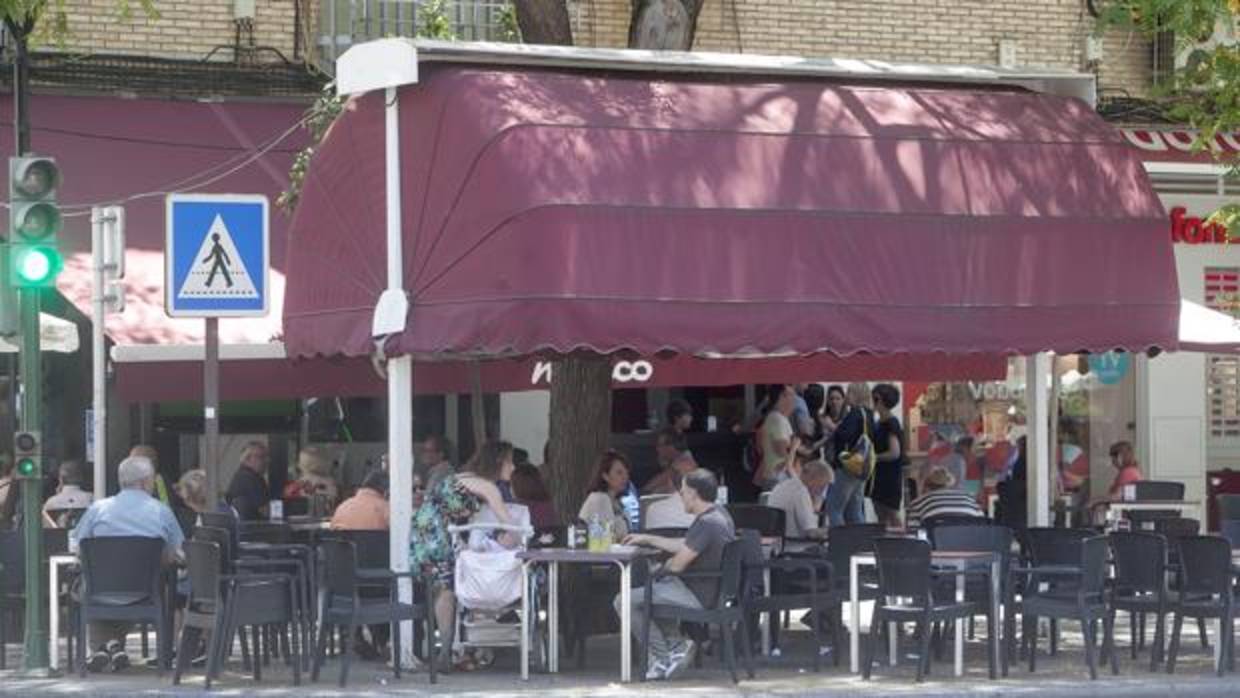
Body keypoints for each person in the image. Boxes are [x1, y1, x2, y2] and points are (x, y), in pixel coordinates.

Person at [617, 469, 736, 681]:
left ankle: (663, 656)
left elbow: (678, 565)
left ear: (693, 493)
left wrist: (662, 567)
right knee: (652, 591)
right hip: (709, 589)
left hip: (696, 594)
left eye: (682, 492)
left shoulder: (707, 523)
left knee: (624, 601)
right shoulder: (719, 515)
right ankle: (676, 647)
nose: (680, 496)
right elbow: (686, 545)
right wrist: (648, 539)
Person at [71, 455, 184, 673]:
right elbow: (176, 552)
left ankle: (104, 648)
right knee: (136, 587)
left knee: (90, 586)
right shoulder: (161, 511)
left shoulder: (98, 509)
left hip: (99, 591)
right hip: (147, 591)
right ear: (144, 482)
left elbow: (79, 546)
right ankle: (111, 647)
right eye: (152, 480)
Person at [409, 439, 515, 671]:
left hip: (423, 531)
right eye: (509, 462)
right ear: (498, 463)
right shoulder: (488, 487)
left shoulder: (462, 477)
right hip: (439, 535)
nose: (513, 467)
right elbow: (512, 526)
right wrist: (513, 541)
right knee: (447, 589)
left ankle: (448, 650)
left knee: (442, 589)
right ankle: (446, 652)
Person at [824, 382, 874, 526]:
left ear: (857, 395)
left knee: (834, 508)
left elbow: (846, 435)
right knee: (855, 510)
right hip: (862, 467)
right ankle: (860, 543)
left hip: (848, 466)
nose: (847, 397)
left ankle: (840, 543)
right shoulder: (869, 414)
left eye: (850, 393)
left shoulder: (855, 413)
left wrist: (832, 427)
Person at [868, 383, 908, 528]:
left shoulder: (890, 423)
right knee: (881, 512)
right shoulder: (880, 422)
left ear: (878, 399)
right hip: (880, 474)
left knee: (891, 512)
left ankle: (901, 543)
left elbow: (894, 452)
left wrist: (873, 457)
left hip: (889, 475)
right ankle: (884, 542)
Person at [768, 458, 832, 544]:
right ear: (813, 479)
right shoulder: (801, 492)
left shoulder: (780, 486)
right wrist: (831, 531)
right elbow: (811, 533)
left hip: (777, 544)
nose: (822, 491)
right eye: (822, 485)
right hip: (796, 546)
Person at [578, 450, 632, 538]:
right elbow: (605, 536)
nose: (625, 477)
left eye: (627, 473)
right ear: (605, 476)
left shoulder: (617, 502)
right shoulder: (599, 499)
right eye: (619, 473)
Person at [906, 467, 983, 527]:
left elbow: (913, 533)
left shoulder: (919, 503)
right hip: (970, 545)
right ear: (950, 484)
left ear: (926, 487)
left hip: (936, 546)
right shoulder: (969, 499)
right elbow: (983, 525)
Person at [758, 385, 796, 487]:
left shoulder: (777, 417)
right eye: (791, 395)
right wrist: (795, 446)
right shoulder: (777, 419)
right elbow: (781, 449)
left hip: (775, 474)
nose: (794, 399)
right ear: (782, 397)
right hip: (778, 476)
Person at [284, 446, 340, 514]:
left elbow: (286, 503)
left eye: (299, 461)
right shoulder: (331, 484)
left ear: (302, 465)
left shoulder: (295, 486)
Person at [643, 428, 699, 495]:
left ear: (671, 446)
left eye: (659, 445)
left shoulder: (685, 463)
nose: (657, 449)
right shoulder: (671, 461)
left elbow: (662, 480)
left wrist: (644, 492)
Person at [225, 441, 270, 521]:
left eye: (266, 457)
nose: (266, 461)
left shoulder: (243, 475)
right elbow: (264, 510)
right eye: (261, 457)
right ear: (247, 459)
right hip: (254, 529)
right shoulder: (249, 478)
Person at [42, 459, 93, 527]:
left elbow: (47, 527)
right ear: (81, 477)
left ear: (61, 479)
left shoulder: (51, 502)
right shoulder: (91, 498)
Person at [510, 463, 558, 529]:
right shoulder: (548, 505)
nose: (510, 488)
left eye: (511, 484)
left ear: (519, 486)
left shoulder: (519, 508)